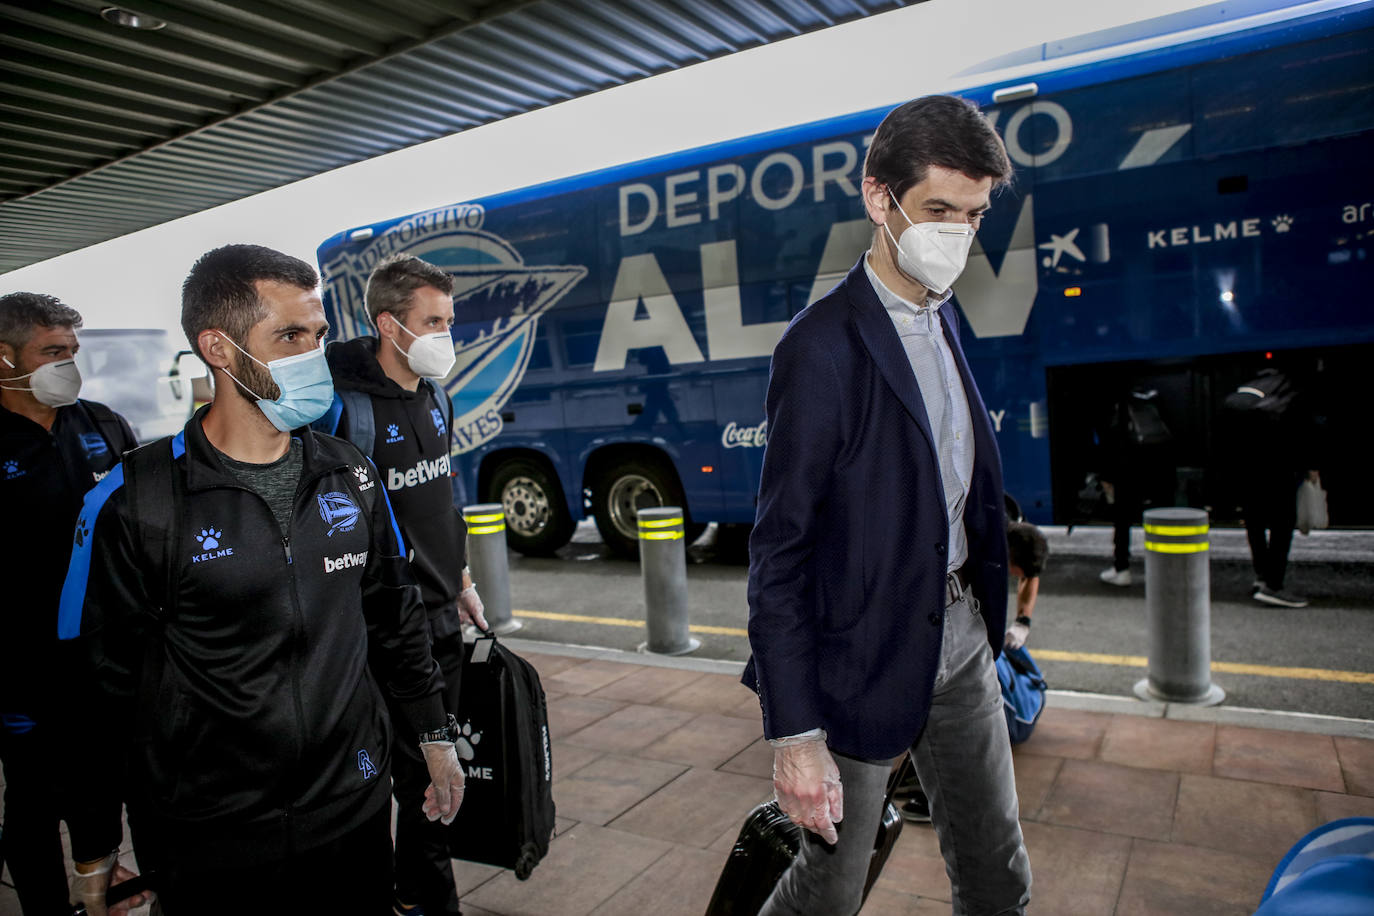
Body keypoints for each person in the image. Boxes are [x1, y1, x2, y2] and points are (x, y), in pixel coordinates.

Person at [57, 245, 467, 914]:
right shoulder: (136, 502)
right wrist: (94, 851)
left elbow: (395, 618)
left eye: (318, 335)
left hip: (354, 811)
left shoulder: (351, 474)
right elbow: (95, 697)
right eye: (289, 336)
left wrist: (434, 737)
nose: (314, 354)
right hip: (211, 835)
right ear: (218, 347)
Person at [742, 95, 1031, 915]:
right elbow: (781, 551)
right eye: (939, 209)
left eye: (974, 216)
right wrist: (796, 737)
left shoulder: (943, 318)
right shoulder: (821, 347)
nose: (958, 234)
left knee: (997, 872)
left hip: (961, 638)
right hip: (860, 656)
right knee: (829, 891)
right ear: (880, 198)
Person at [318, 252, 486, 916]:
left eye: (449, 319)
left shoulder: (435, 393)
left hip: (440, 618)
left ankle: (419, 896)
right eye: (434, 321)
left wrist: (462, 575)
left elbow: (439, 501)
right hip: (374, 631)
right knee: (375, 780)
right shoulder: (343, 410)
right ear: (390, 325)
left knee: (430, 777)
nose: (447, 335)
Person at [0, 292, 150, 915]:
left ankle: (103, 881)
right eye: (52, 352)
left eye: (72, 351)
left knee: (105, 785)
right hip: (19, 663)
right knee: (34, 799)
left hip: (105, 654)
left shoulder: (101, 425)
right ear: (4, 358)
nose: (68, 364)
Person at [899, 520, 1049, 823]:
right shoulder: (967, 538)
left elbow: (1030, 575)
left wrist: (1023, 621)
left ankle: (941, 782)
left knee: (958, 709)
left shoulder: (1016, 535)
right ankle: (931, 774)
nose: (1014, 578)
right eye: (1012, 571)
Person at [1224, 365, 1319, 608]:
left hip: (1247, 467)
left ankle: (1262, 576)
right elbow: (1303, 431)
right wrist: (1309, 465)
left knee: (1255, 523)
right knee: (1282, 525)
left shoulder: (1247, 390)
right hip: (1279, 468)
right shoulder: (1291, 391)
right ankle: (1274, 585)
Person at [1097, 387, 1172, 587]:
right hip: (1156, 471)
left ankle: (1122, 569)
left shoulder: (1117, 410)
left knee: (1122, 522)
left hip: (1126, 474)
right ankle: (1162, 569)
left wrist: (1106, 478)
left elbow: (1108, 445)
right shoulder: (1151, 405)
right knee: (1159, 521)